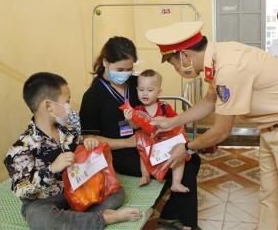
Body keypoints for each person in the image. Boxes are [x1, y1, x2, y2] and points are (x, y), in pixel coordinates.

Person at [146, 21, 278, 230]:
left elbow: (221, 131)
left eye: (174, 63)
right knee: (270, 200)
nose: (177, 69)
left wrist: (186, 148)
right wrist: (171, 122)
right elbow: (210, 101)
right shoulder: (218, 57)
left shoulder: (228, 67)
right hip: (271, 129)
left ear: (185, 55)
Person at [79, 37, 201, 230]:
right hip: (121, 153)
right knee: (184, 168)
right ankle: (185, 223)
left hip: (149, 142)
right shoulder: (93, 97)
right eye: (120, 70)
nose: (125, 74)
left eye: (129, 69)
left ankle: (171, 215)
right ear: (105, 63)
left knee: (192, 158)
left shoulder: (136, 84)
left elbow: (154, 103)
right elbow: (89, 139)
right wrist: (129, 142)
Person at [4, 72, 141, 230]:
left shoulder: (68, 130)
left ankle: (74, 218)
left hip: (79, 191)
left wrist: (88, 144)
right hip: (48, 200)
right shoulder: (20, 148)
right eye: (67, 101)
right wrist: (51, 169)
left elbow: (81, 151)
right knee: (40, 219)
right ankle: (104, 217)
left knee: (116, 194)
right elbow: (21, 190)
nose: (69, 106)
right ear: (48, 106)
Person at [123, 69, 190, 193]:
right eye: (141, 90)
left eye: (150, 90)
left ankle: (176, 182)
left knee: (180, 157)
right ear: (137, 90)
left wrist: (168, 122)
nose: (145, 94)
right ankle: (145, 176)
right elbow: (135, 127)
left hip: (166, 142)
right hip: (149, 143)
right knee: (142, 155)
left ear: (159, 92)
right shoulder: (138, 110)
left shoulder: (164, 107)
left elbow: (176, 121)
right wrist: (129, 119)